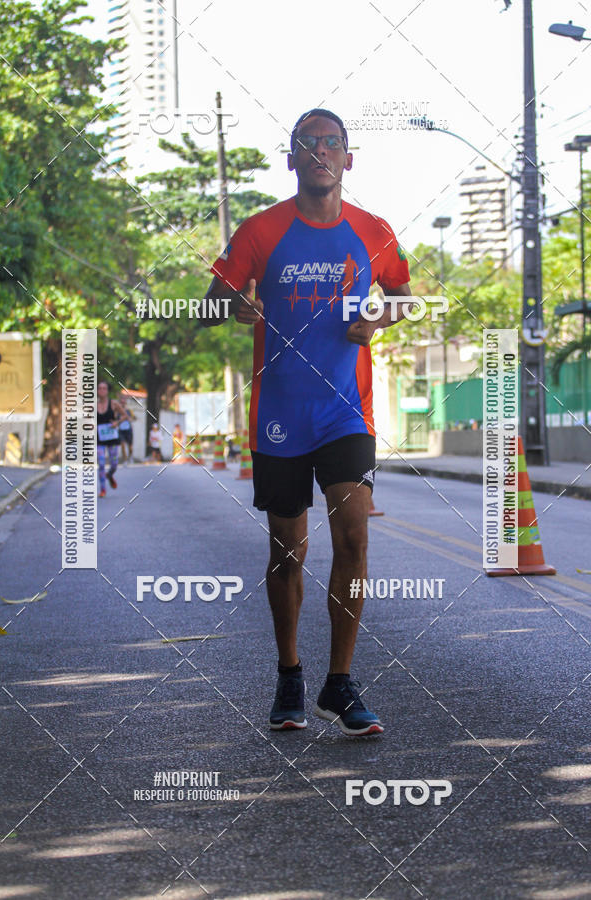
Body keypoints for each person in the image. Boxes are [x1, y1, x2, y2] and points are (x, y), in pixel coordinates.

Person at [202, 108, 412, 736]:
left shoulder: (374, 231)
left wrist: (379, 318)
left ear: (349, 158)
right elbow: (214, 300)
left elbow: (403, 295)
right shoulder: (260, 231)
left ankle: (340, 684)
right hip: (280, 416)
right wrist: (237, 302)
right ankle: (290, 674)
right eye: (307, 143)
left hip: (347, 411)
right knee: (287, 551)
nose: (320, 151)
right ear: (290, 159)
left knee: (353, 537)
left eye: (332, 143)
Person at [97, 381, 126, 498]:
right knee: (102, 463)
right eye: (100, 388)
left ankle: (109, 475)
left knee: (114, 464)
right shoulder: (93, 405)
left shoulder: (114, 404)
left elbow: (125, 416)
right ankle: (103, 489)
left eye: (104, 388)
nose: (102, 390)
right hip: (100, 438)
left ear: (107, 391)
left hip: (112, 438)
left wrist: (116, 423)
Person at [118, 395, 134, 463]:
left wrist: (128, 418)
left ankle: (130, 456)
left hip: (128, 430)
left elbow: (132, 419)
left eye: (123, 403)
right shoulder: (118, 411)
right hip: (121, 430)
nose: (122, 404)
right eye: (121, 403)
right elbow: (116, 419)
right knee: (122, 445)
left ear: (125, 403)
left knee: (130, 446)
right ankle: (125, 459)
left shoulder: (129, 411)